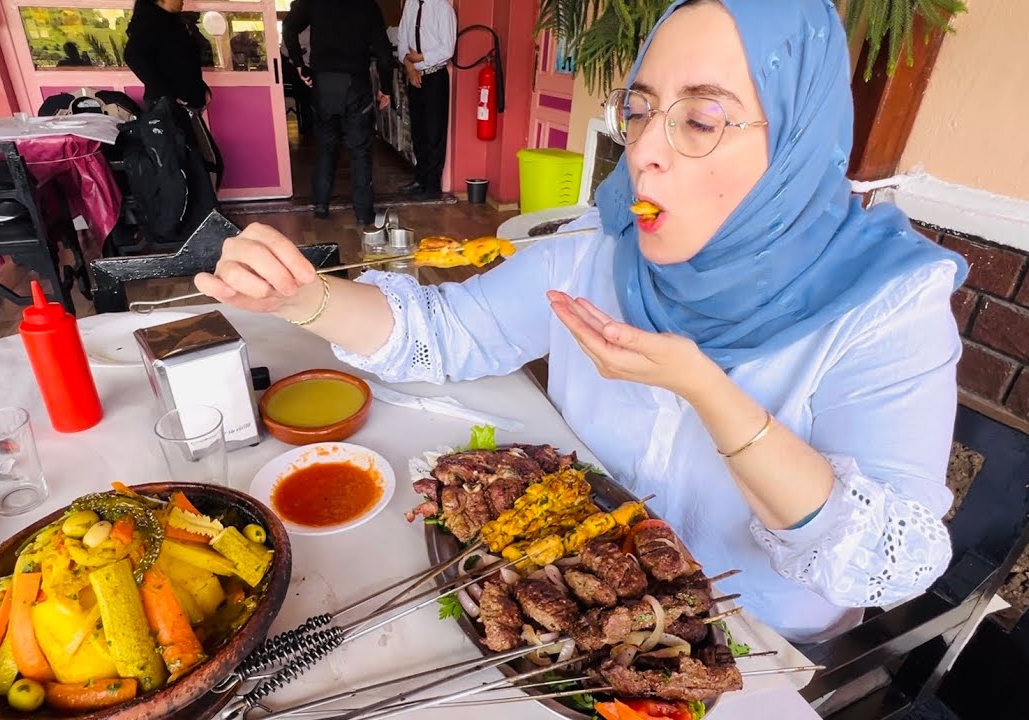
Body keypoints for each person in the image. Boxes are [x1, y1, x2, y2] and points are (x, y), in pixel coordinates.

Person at [194, 0, 970, 643]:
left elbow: (881, 568)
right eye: (639, 111)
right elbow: (448, 333)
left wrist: (710, 393)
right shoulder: (599, 251)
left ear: (798, 138)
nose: (644, 154)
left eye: (701, 120)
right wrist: (305, 300)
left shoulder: (887, 307)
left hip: (749, 646)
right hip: (567, 602)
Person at [283, 0, 394, 225]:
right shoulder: (368, 6)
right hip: (355, 84)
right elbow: (384, 54)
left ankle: (321, 204)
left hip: (323, 83)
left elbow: (289, 27)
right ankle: (364, 215)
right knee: (360, 150)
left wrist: (298, 64)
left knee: (325, 146)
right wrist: (386, 89)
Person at [125, 0, 222, 188]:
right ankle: (197, 212)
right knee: (194, 163)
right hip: (169, 108)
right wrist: (166, 93)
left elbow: (181, 63)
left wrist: (201, 88)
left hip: (186, 104)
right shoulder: (151, 22)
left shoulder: (171, 22)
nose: (182, 0)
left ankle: (202, 209)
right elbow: (133, 56)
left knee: (199, 161)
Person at [398, 0, 456, 197]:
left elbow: (447, 49)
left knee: (434, 132)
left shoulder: (443, 8)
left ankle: (432, 187)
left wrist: (421, 58)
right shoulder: (410, 5)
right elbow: (402, 41)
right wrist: (410, 68)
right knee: (418, 131)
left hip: (434, 76)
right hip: (414, 75)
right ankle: (420, 179)